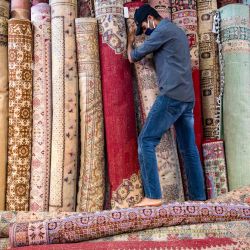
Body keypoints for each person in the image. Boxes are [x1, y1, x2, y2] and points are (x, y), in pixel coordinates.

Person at [127, 4, 206, 207]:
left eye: (144, 27)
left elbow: (134, 56)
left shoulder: (161, 31)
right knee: (188, 149)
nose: (145, 31)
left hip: (171, 96)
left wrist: (130, 40)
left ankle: (153, 195)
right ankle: (198, 199)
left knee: (146, 140)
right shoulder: (176, 31)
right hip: (187, 98)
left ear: (151, 18)